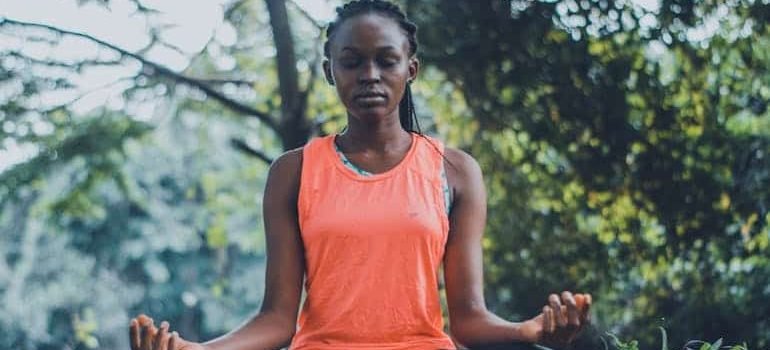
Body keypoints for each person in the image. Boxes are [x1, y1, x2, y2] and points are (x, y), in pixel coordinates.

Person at [128, 1, 592, 349]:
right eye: (352, 62)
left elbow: (468, 319)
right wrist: (197, 349)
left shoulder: (454, 171)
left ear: (410, 69)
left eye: (386, 60)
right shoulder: (293, 172)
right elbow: (276, 319)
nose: (369, 74)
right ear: (331, 72)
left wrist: (529, 331)